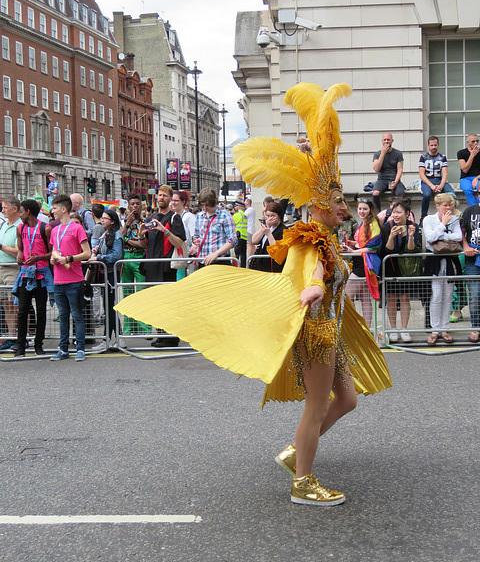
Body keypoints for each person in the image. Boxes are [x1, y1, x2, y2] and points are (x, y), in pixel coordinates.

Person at [116, 82, 392, 507]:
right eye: (338, 199)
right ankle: (303, 481)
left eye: (345, 199)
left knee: (348, 400)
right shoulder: (308, 238)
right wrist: (316, 286)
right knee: (317, 407)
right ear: (319, 202)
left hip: (331, 333)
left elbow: (327, 267)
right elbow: (308, 271)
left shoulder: (330, 237)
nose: (345, 206)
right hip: (316, 335)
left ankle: (294, 452)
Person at [138, 185, 186, 347]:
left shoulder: (174, 218)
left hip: (166, 267)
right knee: (156, 304)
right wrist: (140, 235)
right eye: (159, 195)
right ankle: (160, 334)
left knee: (167, 303)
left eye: (165, 196)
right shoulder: (150, 218)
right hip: (151, 266)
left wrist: (164, 230)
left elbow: (179, 242)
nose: (161, 198)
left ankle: (171, 337)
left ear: (170, 199)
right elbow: (145, 245)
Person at [49, 194, 91, 362]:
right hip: (58, 280)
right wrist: (53, 258)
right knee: (63, 315)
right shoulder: (54, 230)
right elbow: (54, 251)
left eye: (54, 208)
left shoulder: (77, 228)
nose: (52, 212)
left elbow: (87, 253)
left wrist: (69, 258)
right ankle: (63, 348)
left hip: (74, 279)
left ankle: (80, 348)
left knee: (77, 314)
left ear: (64, 209)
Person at [12, 200, 53, 357]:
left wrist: (39, 258)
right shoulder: (20, 228)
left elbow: (52, 252)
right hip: (25, 274)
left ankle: (38, 345)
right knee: (22, 311)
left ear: (28, 211)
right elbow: (20, 248)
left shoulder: (45, 229)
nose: (19, 214)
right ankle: (21, 346)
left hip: (41, 275)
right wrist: (19, 255)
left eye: (21, 211)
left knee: (41, 311)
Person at [422, 194, 462, 345]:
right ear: (437, 206)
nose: (449, 208)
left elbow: (458, 237)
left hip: (450, 262)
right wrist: (443, 225)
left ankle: (444, 328)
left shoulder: (455, 220)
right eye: (445, 205)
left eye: (450, 205)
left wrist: (441, 236)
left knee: (448, 295)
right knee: (436, 296)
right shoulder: (428, 219)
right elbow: (430, 238)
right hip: (434, 263)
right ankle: (434, 329)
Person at [382, 200, 421, 343]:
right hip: (391, 265)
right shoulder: (387, 226)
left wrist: (410, 236)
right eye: (394, 212)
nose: (396, 215)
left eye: (399, 212)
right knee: (391, 298)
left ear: (407, 213)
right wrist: (392, 236)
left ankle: (404, 329)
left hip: (406, 267)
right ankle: (393, 329)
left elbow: (411, 249)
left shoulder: (413, 226)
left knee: (405, 297)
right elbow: (388, 250)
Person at [91, 210, 125, 351]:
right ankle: (116, 338)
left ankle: (113, 339)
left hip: (111, 275)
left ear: (112, 221)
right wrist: (96, 252)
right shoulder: (105, 234)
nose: (102, 220)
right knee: (109, 307)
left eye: (106, 218)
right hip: (105, 274)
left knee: (110, 307)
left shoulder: (116, 235)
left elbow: (116, 255)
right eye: (102, 218)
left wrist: (98, 258)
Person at [345, 199, 383, 328]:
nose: (362, 211)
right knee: (365, 298)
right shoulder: (364, 223)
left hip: (365, 264)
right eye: (360, 208)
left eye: (365, 209)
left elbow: (373, 247)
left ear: (370, 210)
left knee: (347, 295)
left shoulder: (373, 224)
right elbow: (362, 243)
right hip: (361, 262)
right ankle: (366, 328)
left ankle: (355, 326)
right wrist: (352, 244)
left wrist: (354, 251)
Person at [119, 194, 150, 336]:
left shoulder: (146, 222)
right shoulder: (124, 222)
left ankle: (145, 329)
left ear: (141, 205)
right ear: (128, 206)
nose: (135, 206)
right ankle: (130, 328)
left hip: (140, 258)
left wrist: (127, 240)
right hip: (125, 259)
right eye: (132, 204)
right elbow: (118, 239)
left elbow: (143, 244)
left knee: (143, 293)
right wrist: (126, 226)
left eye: (138, 204)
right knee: (127, 293)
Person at [190, 188, 236, 268]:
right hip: (203, 261)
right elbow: (196, 235)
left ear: (214, 202)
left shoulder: (225, 216)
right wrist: (195, 242)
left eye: (207, 205)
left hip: (220, 261)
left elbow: (232, 240)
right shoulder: (199, 216)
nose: (204, 208)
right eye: (202, 205)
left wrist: (216, 253)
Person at [0, 196, 22, 350]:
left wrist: (1, 246)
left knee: (18, 305)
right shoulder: (3, 225)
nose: (3, 210)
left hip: (13, 268)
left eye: (5, 208)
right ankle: (11, 335)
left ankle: (22, 337)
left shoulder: (20, 226)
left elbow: (18, 251)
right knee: (6, 304)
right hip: (1, 268)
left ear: (15, 209)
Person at [419, 136, 456, 221]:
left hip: (439, 180)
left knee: (452, 194)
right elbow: (422, 174)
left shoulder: (442, 157)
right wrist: (432, 186)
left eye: (435, 145)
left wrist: (441, 185)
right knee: (427, 195)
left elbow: (445, 173)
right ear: (428, 145)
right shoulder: (423, 157)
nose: (433, 147)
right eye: (432, 145)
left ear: (438, 145)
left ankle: (452, 215)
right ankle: (423, 216)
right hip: (427, 181)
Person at [460, 198, 480, 342]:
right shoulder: (470, 211)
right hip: (473, 260)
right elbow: (461, 232)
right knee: (474, 297)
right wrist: (466, 247)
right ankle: (476, 328)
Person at [372, 132, 405, 213]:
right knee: (375, 193)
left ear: (392, 141)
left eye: (388, 140)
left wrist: (396, 181)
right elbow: (376, 169)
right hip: (382, 180)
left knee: (400, 194)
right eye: (385, 140)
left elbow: (400, 169)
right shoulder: (377, 154)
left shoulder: (398, 153)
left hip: (394, 179)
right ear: (382, 141)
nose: (386, 142)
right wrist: (382, 154)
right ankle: (377, 215)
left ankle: (398, 213)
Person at [250, 201, 287, 271]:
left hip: (273, 267)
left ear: (279, 216)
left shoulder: (283, 230)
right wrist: (264, 228)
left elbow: (277, 250)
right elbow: (254, 241)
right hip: (260, 265)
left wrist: (269, 234)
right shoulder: (266, 227)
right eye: (267, 216)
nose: (270, 218)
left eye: (273, 216)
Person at [170, 190, 195, 280]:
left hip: (187, 254)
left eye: (176, 201)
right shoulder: (173, 216)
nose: (173, 203)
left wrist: (193, 248)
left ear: (183, 202)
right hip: (177, 253)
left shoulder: (189, 216)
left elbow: (194, 235)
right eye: (172, 200)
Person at [457, 133, 480, 206]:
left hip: (478, 177)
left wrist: (477, 178)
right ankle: (474, 210)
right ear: (468, 143)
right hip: (465, 178)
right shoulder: (461, 153)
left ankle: (478, 208)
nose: (476, 143)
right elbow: (464, 169)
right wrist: (472, 156)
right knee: (467, 190)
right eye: (473, 141)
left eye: (477, 141)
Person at [232, 199, 248, 268]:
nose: (234, 208)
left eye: (235, 206)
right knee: (243, 254)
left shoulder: (237, 215)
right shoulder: (244, 214)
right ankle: (243, 267)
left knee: (237, 254)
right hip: (244, 237)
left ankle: (236, 267)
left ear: (238, 207)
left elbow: (231, 223)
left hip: (239, 236)